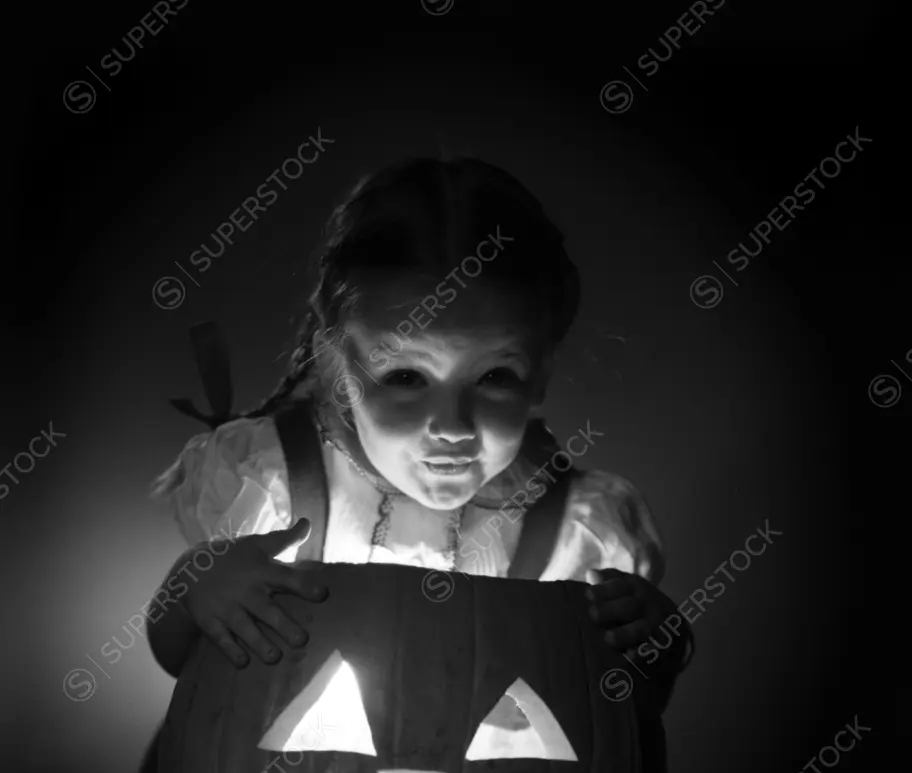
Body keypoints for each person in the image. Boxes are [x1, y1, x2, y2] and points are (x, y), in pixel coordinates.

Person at [144, 156, 692, 701]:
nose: (453, 427)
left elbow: (612, 719)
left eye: (496, 377)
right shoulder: (274, 483)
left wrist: (657, 647)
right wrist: (196, 587)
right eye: (405, 377)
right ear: (336, 362)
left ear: (541, 373)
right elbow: (186, 666)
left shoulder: (576, 530)